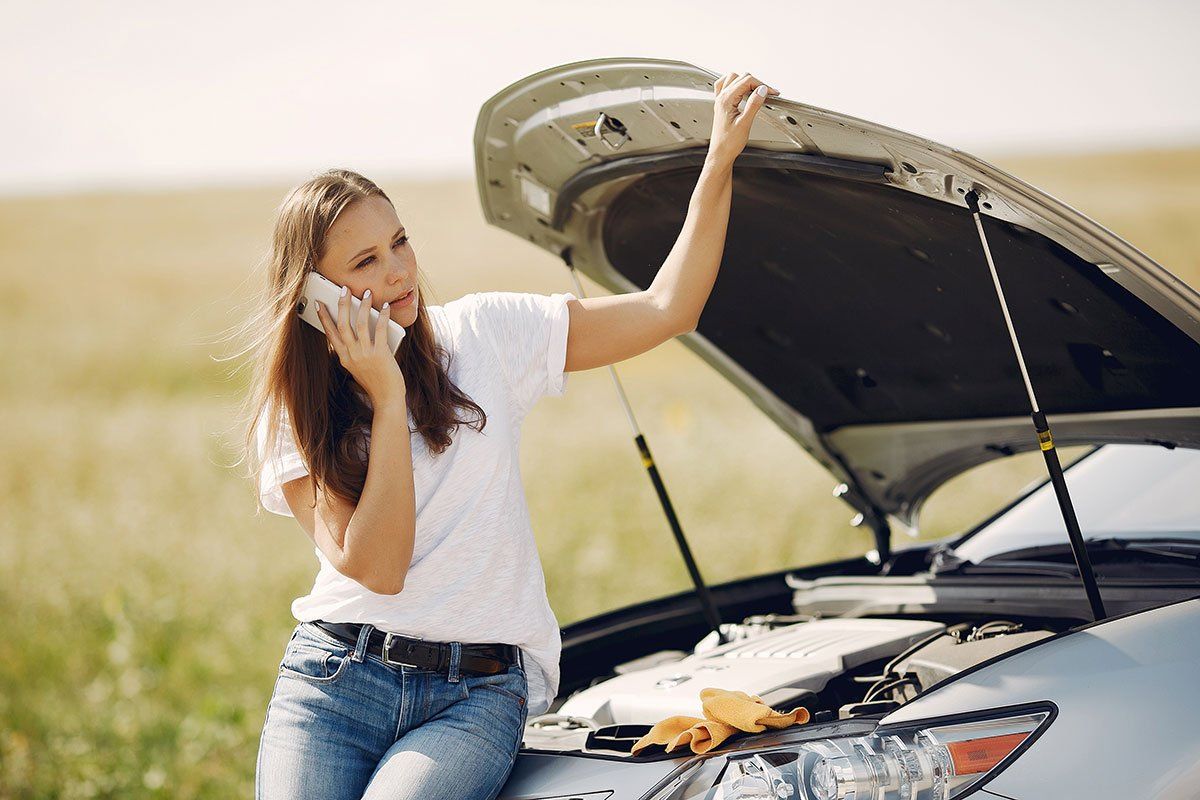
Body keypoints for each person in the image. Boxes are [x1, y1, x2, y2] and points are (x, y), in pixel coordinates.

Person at [241, 71, 778, 800]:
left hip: (477, 694)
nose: (399, 272)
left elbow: (666, 307)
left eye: (399, 243)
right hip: (336, 680)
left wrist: (718, 161)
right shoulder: (294, 408)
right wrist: (387, 393)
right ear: (315, 295)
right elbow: (379, 566)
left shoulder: (484, 336)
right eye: (365, 262)